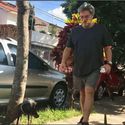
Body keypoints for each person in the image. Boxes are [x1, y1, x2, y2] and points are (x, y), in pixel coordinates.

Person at [59, 2, 113, 125]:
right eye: (82, 17)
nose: (84, 19)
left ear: (92, 16)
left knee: (89, 90)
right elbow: (68, 49)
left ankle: (85, 121)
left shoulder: (101, 29)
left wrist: (108, 63)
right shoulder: (75, 31)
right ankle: (84, 117)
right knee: (82, 92)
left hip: (95, 67)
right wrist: (63, 62)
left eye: (86, 16)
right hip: (79, 68)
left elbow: (108, 48)